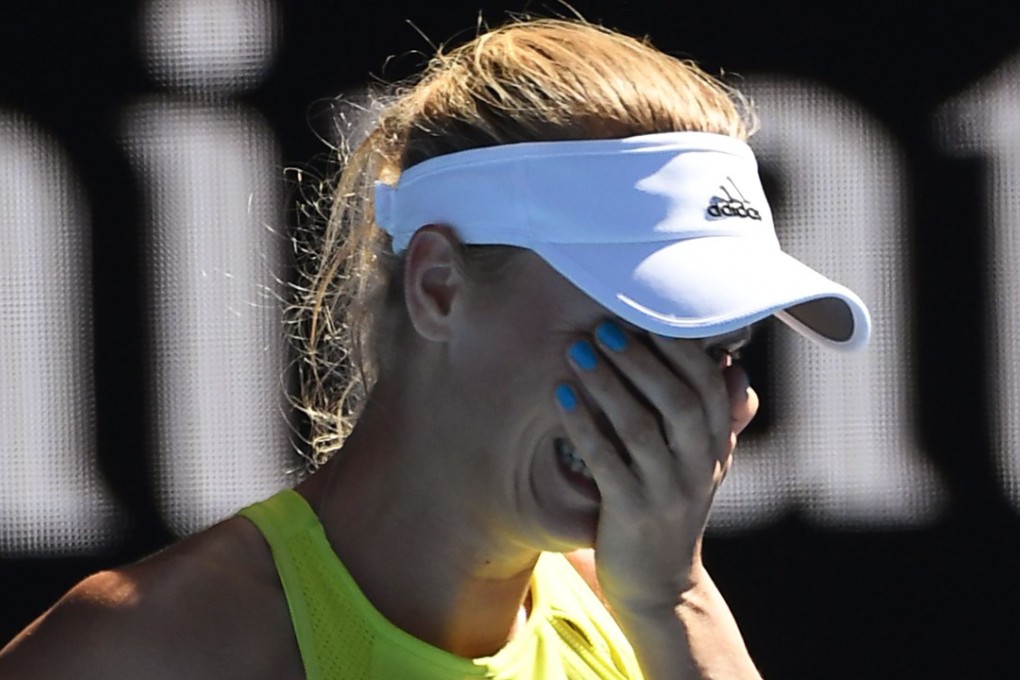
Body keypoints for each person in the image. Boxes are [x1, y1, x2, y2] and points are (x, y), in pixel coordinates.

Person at [0, 17, 870, 679]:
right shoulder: (151, 648)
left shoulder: (657, 614)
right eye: (634, 325)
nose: (679, 402)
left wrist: (672, 603)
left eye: (717, 345)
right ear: (438, 285)